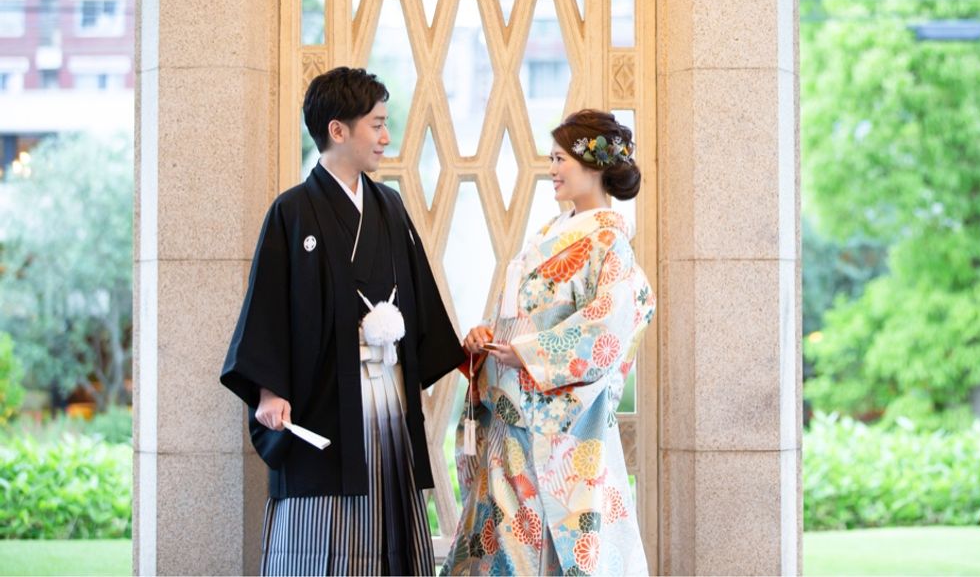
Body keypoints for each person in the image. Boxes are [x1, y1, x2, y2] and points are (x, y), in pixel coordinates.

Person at [221, 66, 465, 575]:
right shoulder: (292, 212)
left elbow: (419, 297)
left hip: (387, 393)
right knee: (320, 529)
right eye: (376, 124)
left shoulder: (389, 207)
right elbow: (267, 308)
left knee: (388, 508)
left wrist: (463, 356)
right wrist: (268, 389)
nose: (385, 136)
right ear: (337, 130)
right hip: (322, 397)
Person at [441, 109, 656, 576]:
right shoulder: (549, 233)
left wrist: (527, 354)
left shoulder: (609, 242)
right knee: (499, 549)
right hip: (511, 418)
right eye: (551, 158)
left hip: (556, 430)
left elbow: (606, 329)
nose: (552, 169)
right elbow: (518, 316)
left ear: (593, 165)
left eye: (560, 159)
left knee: (534, 550)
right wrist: (486, 335)